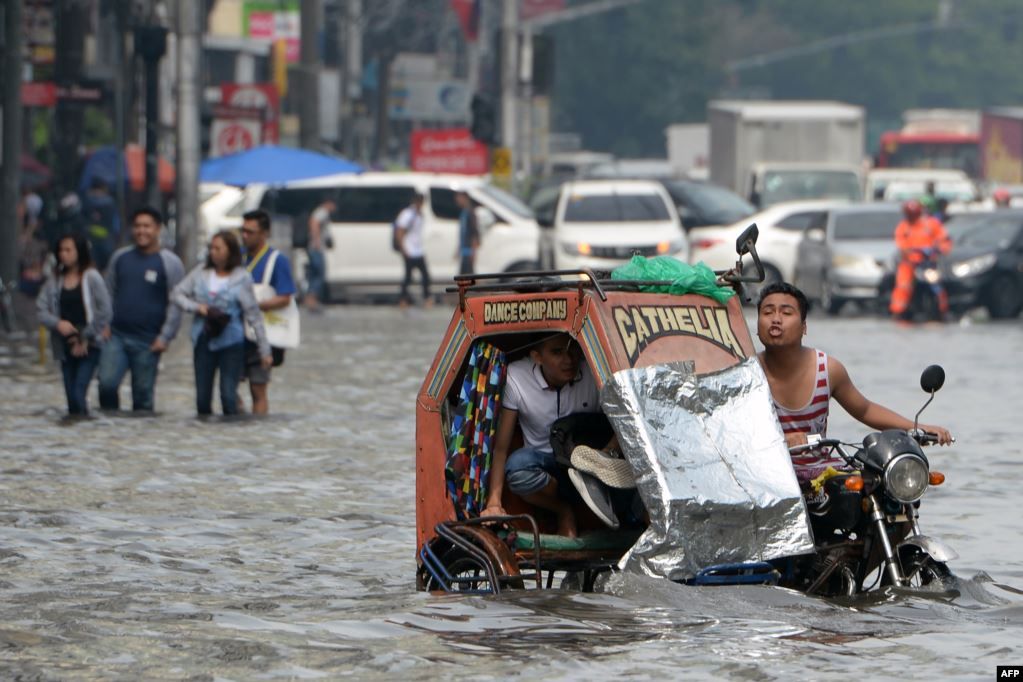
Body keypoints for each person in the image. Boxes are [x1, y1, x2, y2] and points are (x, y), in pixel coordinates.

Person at [756, 282, 952, 483]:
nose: (776, 320)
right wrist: (780, 441)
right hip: (768, 478)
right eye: (768, 312)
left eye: (786, 313)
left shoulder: (827, 369)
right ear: (757, 324)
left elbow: (865, 409)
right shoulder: (749, 374)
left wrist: (916, 428)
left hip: (822, 475)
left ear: (804, 327)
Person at [481, 333, 620, 537]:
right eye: (557, 352)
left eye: (573, 350)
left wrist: (606, 454)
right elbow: (501, 448)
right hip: (543, 466)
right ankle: (563, 509)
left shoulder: (593, 373)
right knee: (518, 466)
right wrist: (494, 503)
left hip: (589, 464)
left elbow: (623, 425)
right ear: (537, 357)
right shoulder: (517, 377)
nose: (569, 360)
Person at [172, 230, 272, 416]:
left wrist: (264, 349)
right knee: (202, 399)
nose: (213, 252)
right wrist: (196, 307)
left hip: (231, 341)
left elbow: (253, 315)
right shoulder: (200, 273)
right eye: (211, 248)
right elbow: (177, 294)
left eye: (218, 248)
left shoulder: (242, 278)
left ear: (230, 251)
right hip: (203, 337)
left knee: (228, 395)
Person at [98, 207, 185, 413]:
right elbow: (107, 292)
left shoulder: (170, 263)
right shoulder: (120, 257)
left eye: (147, 226)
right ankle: (109, 427)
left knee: (142, 397)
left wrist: (165, 337)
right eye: (137, 226)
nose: (141, 231)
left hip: (148, 341)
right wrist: (104, 324)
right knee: (106, 384)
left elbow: (177, 303)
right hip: (116, 336)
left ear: (158, 229)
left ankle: (140, 438)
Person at [36, 234, 111, 416]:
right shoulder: (54, 281)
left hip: (89, 345)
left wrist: (86, 335)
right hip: (64, 345)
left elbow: (105, 310)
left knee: (79, 394)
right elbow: (41, 309)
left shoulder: (92, 277)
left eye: (69, 250)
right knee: (71, 400)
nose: (64, 254)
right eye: (61, 250)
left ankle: (87, 431)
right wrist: (57, 323)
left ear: (79, 252)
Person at [240, 209, 297, 414]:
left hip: (261, 334)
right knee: (230, 387)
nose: (245, 236)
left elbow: (285, 297)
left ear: (264, 233)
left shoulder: (276, 261)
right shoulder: (237, 256)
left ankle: (257, 426)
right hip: (235, 332)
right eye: (243, 231)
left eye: (250, 232)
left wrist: (254, 305)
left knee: (258, 388)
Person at [889, 199, 952, 319]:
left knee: (937, 284)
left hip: (928, 263)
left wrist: (941, 249)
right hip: (909, 264)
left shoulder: (931, 224)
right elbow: (901, 243)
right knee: (903, 285)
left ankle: (942, 309)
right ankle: (898, 311)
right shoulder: (903, 227)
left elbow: (943, 239)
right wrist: (907, 251)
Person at [395, 193, 432, 308]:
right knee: (408, 277)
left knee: (425, 276)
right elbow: (399, 231)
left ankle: (427, 298)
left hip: (419, 250)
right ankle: (403, 299)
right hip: (409, 250)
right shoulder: (407, 214)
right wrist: (403, 249)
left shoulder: (420, 215)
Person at [82, 178, 119, 270]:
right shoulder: (110, 202)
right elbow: (116, 224)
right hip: (105, 239)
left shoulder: (86, 201)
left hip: (89, 238)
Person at [305, 199, 334, 312]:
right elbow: (314, 222)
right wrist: (316, 240)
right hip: (316, 248)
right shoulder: (322, 212)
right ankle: (312, 299)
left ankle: (310, 300)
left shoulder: (320, 211)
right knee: (319, 274)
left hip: (314, 247)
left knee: (314, 274)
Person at [455, 189, 480, 275]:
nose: (457, 200)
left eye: (459, 198)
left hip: (468, 251)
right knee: (464, 277)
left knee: (468, 277)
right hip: (464, 251)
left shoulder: (470, 212)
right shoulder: (463, 212)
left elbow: (474, 232)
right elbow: (463, 232)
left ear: (465, 198)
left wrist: (473, 251)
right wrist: (458, 249)